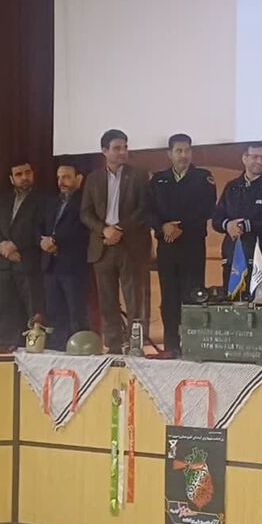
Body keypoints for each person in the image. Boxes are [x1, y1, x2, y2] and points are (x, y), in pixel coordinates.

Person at [80, 129, 151, 355]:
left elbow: (144, 210)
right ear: (104, 151)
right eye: (117, 148)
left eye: (125, 147)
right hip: (102, 246)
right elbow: (85, 213)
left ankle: (136, 345)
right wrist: (105, 230)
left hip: (130, 244)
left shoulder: (139, 175)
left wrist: (119, 229)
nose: (123, 152)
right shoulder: (93, 178)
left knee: (134, 299)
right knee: (107, 300)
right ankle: (113, 345)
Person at [147, 134, 217, 356]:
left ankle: (193, 345)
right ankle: (171, 345)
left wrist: (180, 227)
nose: (183, 155)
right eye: (179, 151)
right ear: (170, 154)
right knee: (169, 297)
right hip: (167, 246)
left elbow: (207, 208)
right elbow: (148, 210)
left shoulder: (203, 178)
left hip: (192, 245)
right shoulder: (158, 179)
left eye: (187, 150)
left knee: (193, 295)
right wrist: (163, 228)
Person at [0, 160, 45, 349]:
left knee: (32, 307)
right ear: (11, 179)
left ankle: (33, 346)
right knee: (5, 307)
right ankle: (6, 345)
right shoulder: (4, 199)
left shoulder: (43, 199)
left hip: (28, 261)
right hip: (5, 263)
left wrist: (15, 246)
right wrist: (2, 245)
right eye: (19, 174)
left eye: (27, 173)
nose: (24, 178)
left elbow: (39, 228)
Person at [212, 143, 262, 290]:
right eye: (255, 157)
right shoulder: (232, 187)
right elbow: (216, 219)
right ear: (244, 158)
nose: (259, 161)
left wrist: (245, 226)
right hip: (233, 256)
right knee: (231, 299)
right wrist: (228, 225)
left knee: (260, 300)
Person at [40, 159, 90, 351]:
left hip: (73, 265)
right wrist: (42, 241)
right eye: (59, 177)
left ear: (79, 179)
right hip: (51, 265)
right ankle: (57, 349)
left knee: (76, 313)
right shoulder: (51, 202)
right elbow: (39, 225)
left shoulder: (85, 201)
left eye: (67, 177)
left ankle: (78, 350)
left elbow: (82, 230)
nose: (62, 182)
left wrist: (56, 240)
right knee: (54, 313)